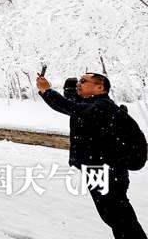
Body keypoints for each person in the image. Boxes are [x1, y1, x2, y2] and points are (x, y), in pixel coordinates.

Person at [38, 72, 147, 239]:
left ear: (100, 87)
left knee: (120, 219)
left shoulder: (102, 106)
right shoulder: (92, 104)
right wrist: (54, 88)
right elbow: (72, 102)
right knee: (115, 218)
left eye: (83, 81)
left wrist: (47, 91)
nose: (79, 84)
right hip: (101, 169)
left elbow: (70, 107)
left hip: (107, 172)